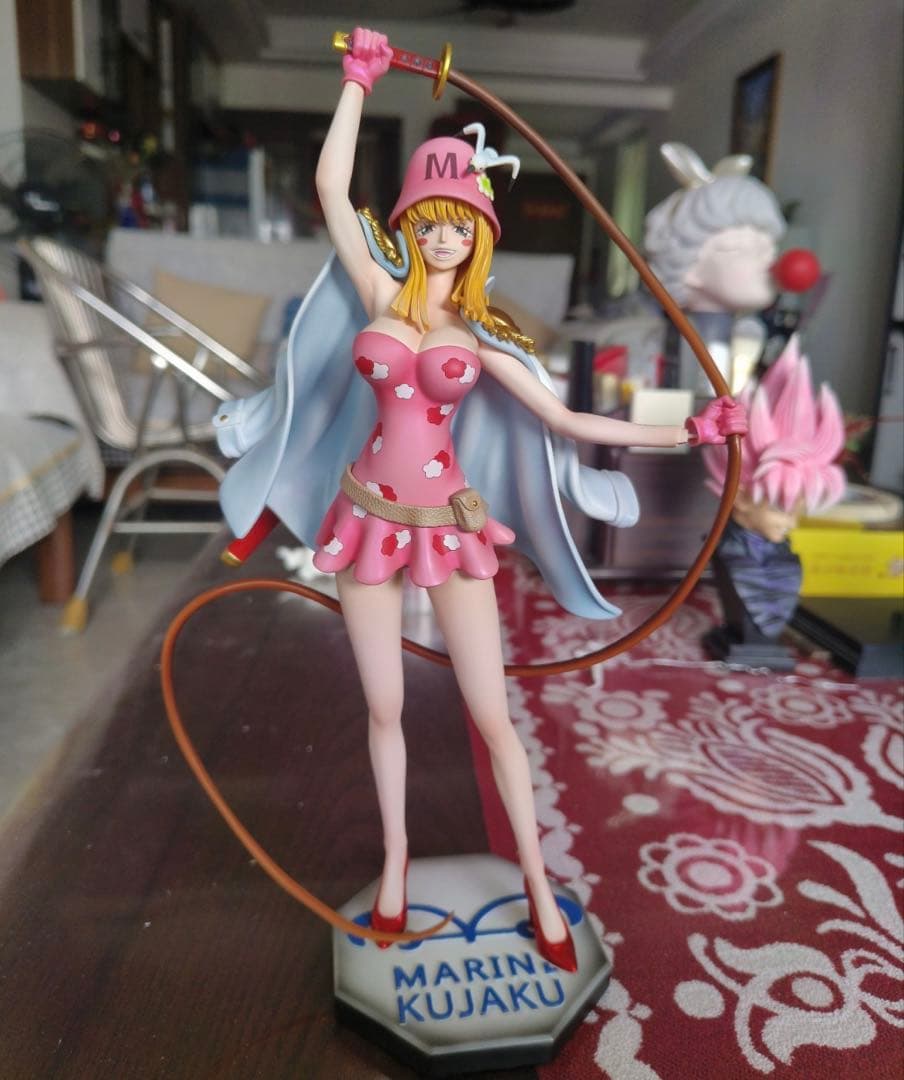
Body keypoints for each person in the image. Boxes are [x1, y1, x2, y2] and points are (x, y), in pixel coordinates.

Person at [213, 29, 747, 972]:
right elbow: (332, 188)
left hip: (451, 528)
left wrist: (694, 432)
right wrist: (356, 79)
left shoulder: (486, 338)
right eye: (430, 223)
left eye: (460, 225)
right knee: (383, 707)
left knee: (491, 714)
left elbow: (571, 421)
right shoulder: (377, 289)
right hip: (365, 521)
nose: (444, 238)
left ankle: (537, 881)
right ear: (412, 226)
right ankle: (395, 864)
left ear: (481, 236)